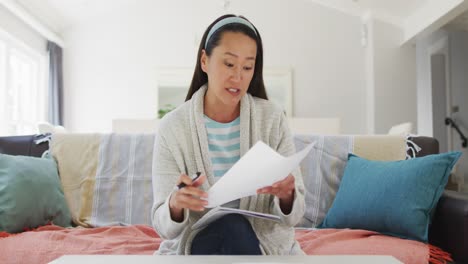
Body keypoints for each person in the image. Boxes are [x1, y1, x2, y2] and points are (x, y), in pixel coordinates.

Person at [151, 14, 305, 255]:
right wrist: (175, 204)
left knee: (236, 227)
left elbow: (294, 215)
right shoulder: (173, 127)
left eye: (247, 67)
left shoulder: (273, 119)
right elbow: (163, 226)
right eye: (229, 64)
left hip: (262, 246)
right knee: (229, 225)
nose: (238, 76)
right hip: (197, 245)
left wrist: (287, 197)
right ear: (205, 60)